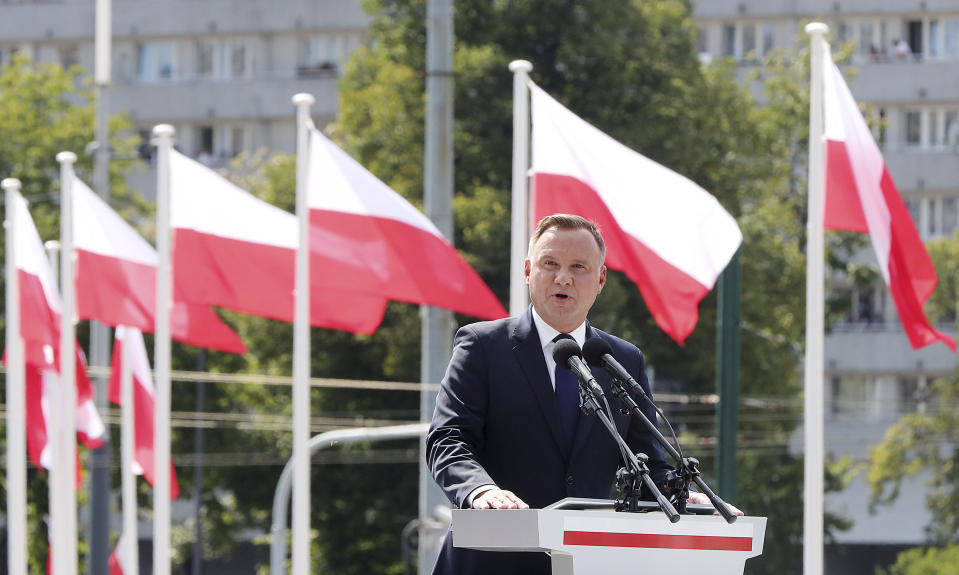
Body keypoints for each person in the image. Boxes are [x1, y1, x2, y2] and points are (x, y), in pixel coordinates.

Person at [426, 214, 730, 575]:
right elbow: (448, 439)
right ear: (528, 270)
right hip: (490, 558)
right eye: (549, 264)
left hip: (586, 560)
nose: (563, 277)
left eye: (578, 267)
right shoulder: (482, 346)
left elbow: (646, 460)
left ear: (600, 279)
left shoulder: (621, 359)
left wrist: (683, 497)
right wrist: (480, 491)